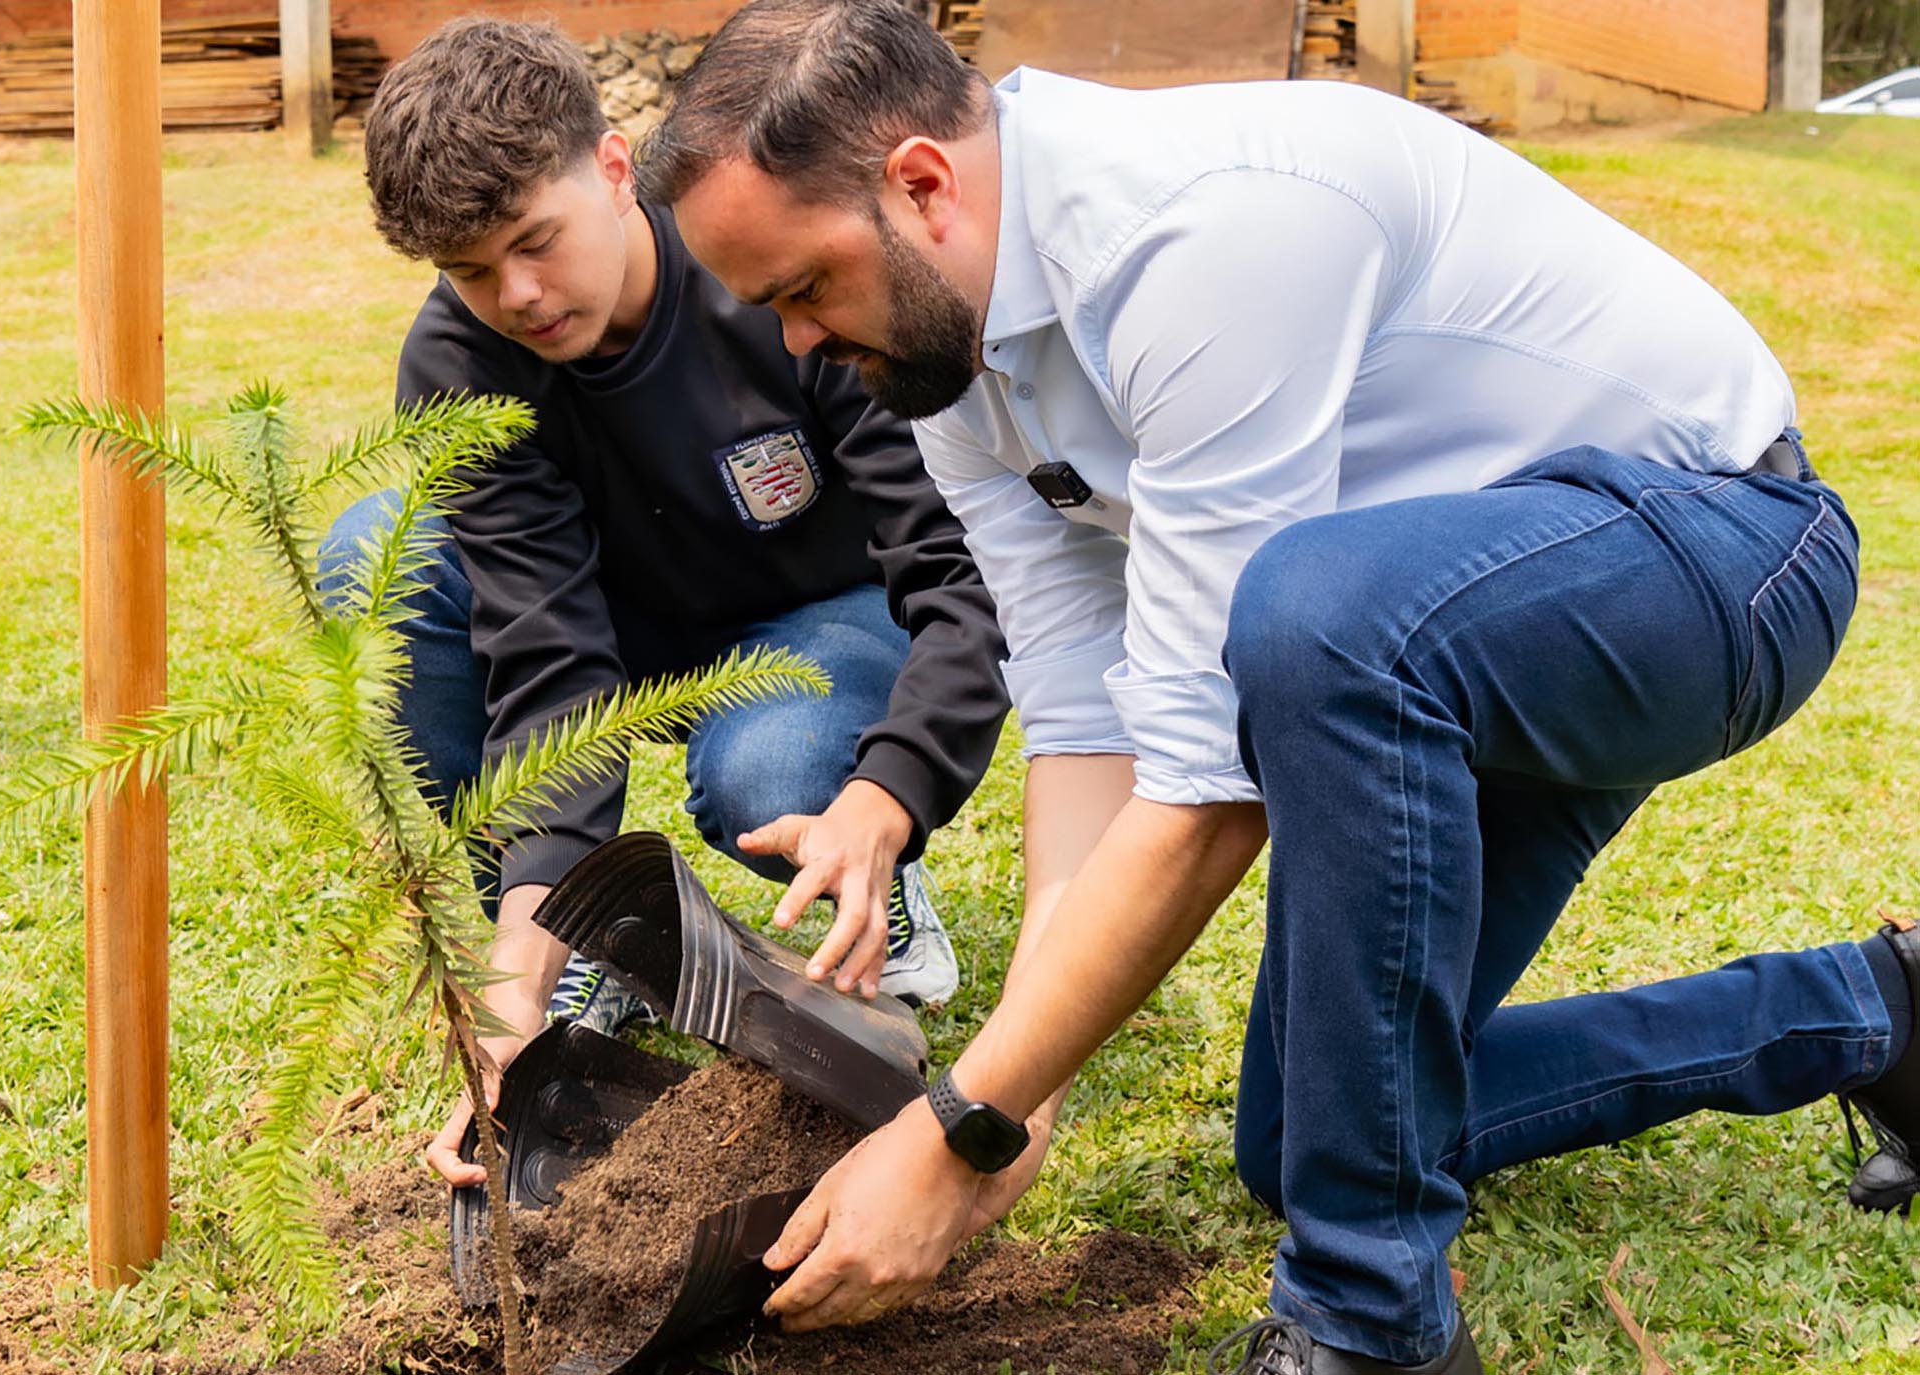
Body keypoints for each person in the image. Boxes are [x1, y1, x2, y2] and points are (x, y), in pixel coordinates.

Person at [637, 2, 1920, 1370]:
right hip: (1445, 655)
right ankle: (1874, 1013)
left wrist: (961, 1119)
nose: (794, 346)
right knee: (1316, 1132)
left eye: (799, 288)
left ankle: (1369, 1324)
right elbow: (1087, 715)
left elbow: (1207, 785)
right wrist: (1024, 1075)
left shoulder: (1203, 232)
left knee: (1305, 615)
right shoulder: (946, 361)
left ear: (919, 185)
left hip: (1712, 558)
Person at [323, 17, 1011, 1189]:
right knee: (371, 560)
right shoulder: (460, 359)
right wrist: (513, 988)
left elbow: (952, 567)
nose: (519, 296)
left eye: (534, 240)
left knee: (770, 770)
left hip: (816, 611)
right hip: (619, 620)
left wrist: (886, 787)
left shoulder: (771, 268)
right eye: (472, 270)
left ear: (612, 164)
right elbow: (546, 657)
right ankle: (574, 935)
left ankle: (864, 874)